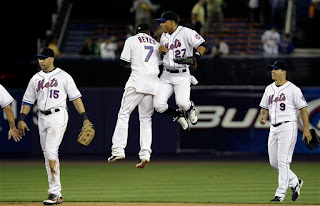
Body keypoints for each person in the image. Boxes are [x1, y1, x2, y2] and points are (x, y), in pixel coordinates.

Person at [17, 47, 93, 205]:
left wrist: (85, 119)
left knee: (51, 151)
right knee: (47, 154)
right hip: (42, 117)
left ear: (52, 59)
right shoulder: (35, 78)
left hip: (58, 115)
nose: (41, 61)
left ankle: (54, 193)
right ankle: (56, 193)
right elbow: (27, 100)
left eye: (44, 58)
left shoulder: (63, 76)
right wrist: (22, 118)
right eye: (39, 58)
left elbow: (75, 98)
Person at [107, 23, 161, 169]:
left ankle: (118, 150)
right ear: (148, 32)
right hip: (153, 84)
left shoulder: (132, 40)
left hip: (137, 81)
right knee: (145, 120)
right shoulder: (156, 43)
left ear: (137, 31)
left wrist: (137, 65)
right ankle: (145, 154)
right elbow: (159, 63)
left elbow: (123, 62)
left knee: (124, 114)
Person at [258, 60, 312, 202]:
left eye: (276, 69)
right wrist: (263, 116)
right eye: (272, 69)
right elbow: (264, 108)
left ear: (284, 72)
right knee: (274, 162)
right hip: (273, 128)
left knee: (283, 161)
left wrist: (306, 130)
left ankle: (280, 194)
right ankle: (295, 182)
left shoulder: (293, 89)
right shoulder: (269, 89)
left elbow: (303, 110)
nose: (272, 71)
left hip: (288, 126)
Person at [154, 11, 207, 131]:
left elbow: (202, 44)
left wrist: (196, 56)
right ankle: (177, 115)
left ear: (172, 22)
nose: (161, 25)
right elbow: (163, 56)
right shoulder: (163, 36)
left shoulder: (186, 32)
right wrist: (161, 52)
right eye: (160, 23)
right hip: (166, 74)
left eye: (163, 22)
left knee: (182, 103)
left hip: (182, 73)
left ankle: (189, 108)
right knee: (158, 105)